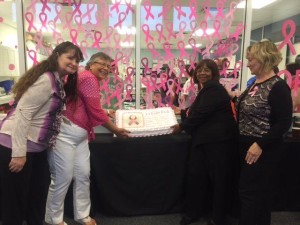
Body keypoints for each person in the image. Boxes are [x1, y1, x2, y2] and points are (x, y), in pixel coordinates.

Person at [0, 41, 83, 225]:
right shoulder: (47, 79)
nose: (74, 64)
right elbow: (23, 113)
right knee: (13, 207)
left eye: (77, 61)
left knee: (35, 202)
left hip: (35, 149)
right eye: (70, 58)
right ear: (57, 56)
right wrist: (19, 153)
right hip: (16, 146)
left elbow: (48, 114)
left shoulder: (57, 79)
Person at [45, 52, 130, 225]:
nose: (106, 68)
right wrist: (116, 130)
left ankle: (82, 215)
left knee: (83, 175)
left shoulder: (85, 77)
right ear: (91, 64)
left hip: (80, 136)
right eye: (102, 64)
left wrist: (105, 111)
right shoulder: (89, 78)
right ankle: (53, 219)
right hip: (65, 134)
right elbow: (94, 111)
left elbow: (82, 104)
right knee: (62, 178)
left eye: (109, 66)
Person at [172, 59, 238, 225]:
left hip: (218, 143)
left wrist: (181, 126)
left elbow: (201, 113)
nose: (202, 72)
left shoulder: (213, 88)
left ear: (214, 73)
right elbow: (196, 112)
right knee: (199, 177)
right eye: (199, 69)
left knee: (218, 180)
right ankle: (198, 212)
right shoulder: (205, 90)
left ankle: (217, 217)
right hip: (206, 141)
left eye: (207, 70)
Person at [234, 40, 293, 225]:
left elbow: (283, 122)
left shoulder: (277, 86)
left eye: (251, 59)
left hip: (262, 149)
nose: (248, 63)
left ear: (264, 59)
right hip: (247, 146)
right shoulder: (256, 83)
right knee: (253, 194)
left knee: (252, 194)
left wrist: (260, 144)